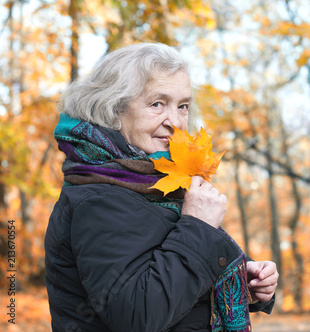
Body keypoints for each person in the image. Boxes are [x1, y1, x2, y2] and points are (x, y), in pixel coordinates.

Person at [45, 43, 278, 332]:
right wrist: (198, 228)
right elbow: (137, 316)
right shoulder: (99, 197)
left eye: (183, 107)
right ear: (113, 108)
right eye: (157, 104)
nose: (175, 123)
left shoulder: (149, 182)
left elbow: (168, 274)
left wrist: (245, 280)